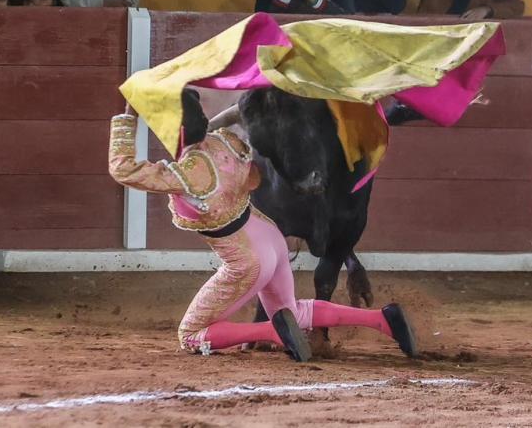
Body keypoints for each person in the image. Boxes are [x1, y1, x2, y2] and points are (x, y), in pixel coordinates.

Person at [108, 89, 418, 361]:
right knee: (294, 311)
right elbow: (255, 173)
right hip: (272, 240)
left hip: (246, 261)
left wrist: (127, 117)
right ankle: (382, 320)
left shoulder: (182, 177)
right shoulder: (228, 144)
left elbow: (123, 170)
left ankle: (274, 333)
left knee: (190, 334)